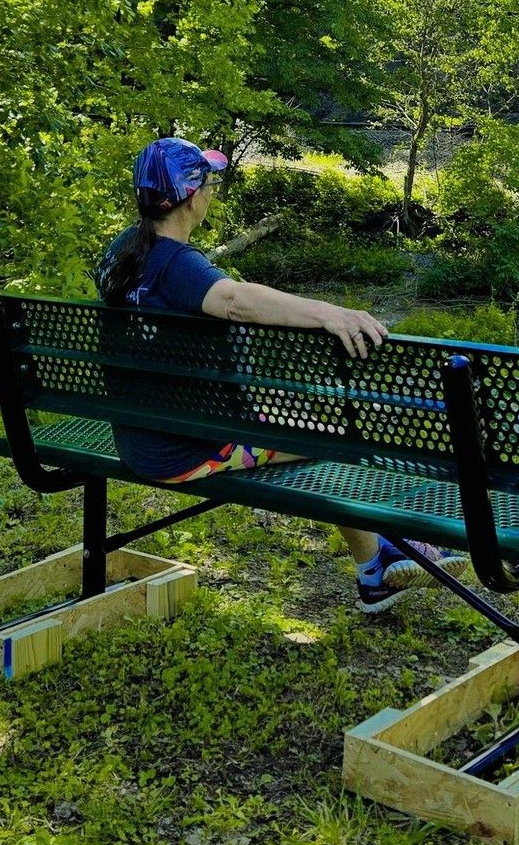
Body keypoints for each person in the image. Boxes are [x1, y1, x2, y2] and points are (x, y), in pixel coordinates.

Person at [96, 137, 468, 613]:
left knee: (310, 427)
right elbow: (234, 300)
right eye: (208, 183)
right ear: (193, 196)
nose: (211, 191)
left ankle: (388, 551)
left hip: (139, 434)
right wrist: (327, 312)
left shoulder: (123, 251)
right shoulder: (177, 264)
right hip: (185, 449)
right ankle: (379, 567)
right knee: (340, 435)